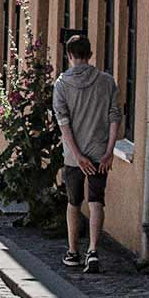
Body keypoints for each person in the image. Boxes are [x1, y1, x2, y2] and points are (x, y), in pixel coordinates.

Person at [53, 35, 122, 274]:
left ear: (69, 55)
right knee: (96, 201)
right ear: (90, 54)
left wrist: (76, 154)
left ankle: (73, 252)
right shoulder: (107, 82)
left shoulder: (61, 84)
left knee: (73, 202)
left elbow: (64, 123)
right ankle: (93, 250)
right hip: (99, 151)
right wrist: (109, 150)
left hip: (75, 156)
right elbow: (115, 117)